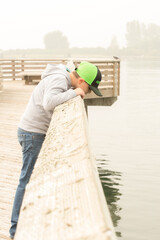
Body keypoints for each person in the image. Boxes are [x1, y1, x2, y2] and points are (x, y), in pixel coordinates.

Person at [9, 61, 102, 239]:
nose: (87, 93)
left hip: (33, 133)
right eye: (89, 89)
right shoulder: (60, 79)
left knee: (30, 180)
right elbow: (49, 102)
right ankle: (15, 230)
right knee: (26, 181)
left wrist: (72, 92)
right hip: (32, 134)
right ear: (81, 80)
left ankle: (24, 223)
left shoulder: (62, 78)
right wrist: (74, 92)